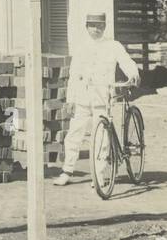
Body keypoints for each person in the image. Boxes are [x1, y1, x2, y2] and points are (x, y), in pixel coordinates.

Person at [54, 12, 140, 185]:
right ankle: (67, 171)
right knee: (74, 134)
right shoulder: (80, 47)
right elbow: (74, 74)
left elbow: (126, 61)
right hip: (82, 97)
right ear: (86, 27)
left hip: (103, 98)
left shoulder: (113, 46)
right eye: (92, 25)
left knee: (102, 137)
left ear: (105, 27)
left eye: (100, 25)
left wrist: (133, 74)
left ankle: (99, 174)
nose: (96, 29)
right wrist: (70, 99)